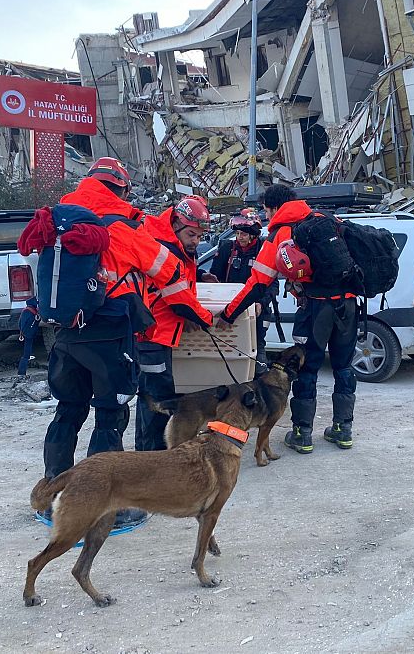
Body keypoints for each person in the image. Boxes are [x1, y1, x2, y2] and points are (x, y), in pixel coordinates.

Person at [40, 158, 180, 528]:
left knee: (68, 411)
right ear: (122, 188)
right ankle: (102, 509)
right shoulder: (126, 224)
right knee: (109, 415)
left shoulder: (59, 220)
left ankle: (50, 497)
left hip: (66, 332)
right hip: (110, 335)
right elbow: (167, 271)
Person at [215, 184, 358, 454]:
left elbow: (259, 282)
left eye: (266, 211)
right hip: (348, 304)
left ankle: (302, 434)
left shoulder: (282, 230)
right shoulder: (326, 219)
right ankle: (343, 429)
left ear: (272, 207)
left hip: (316, 308)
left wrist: (229, 314)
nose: (266, 217)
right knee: (343, 367)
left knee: (307, 368)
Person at [135, 195, 215, 452]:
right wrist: (207, 319)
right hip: (152, 336)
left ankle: (149, 455)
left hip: (159, 333)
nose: (196, 242)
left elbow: (179, 285)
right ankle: (153, 459)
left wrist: (200, 275)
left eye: (200, 237)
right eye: (192, 235)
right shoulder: (164, 248)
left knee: (151, 399)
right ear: (177, 225)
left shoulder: (173, 245)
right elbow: (178, 297)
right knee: (157, 402)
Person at [210, 208, 278, 374]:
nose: (240, 238)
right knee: (226, 349)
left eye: (244, 234)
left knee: (257, 348)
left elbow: (272, 284)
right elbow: (214, 278)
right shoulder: (227, 249)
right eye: (238, 234)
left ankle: (257, 383)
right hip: (229, 309)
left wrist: (261, 303)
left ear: (253, 234)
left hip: (256, 310)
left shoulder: (264, 249)